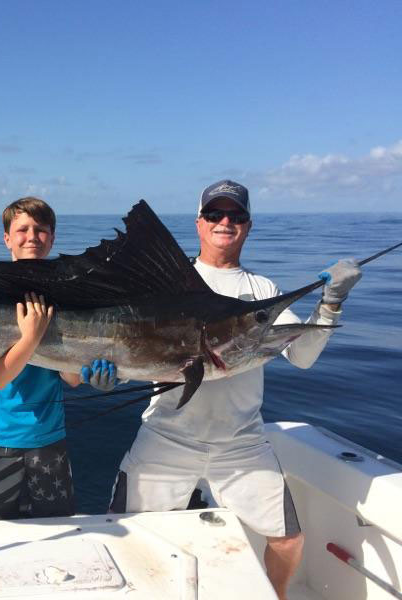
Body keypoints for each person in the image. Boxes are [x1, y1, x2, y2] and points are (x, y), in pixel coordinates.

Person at [108, 179, 362, 600]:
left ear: (248, 225)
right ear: (199, 223)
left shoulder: (262, 292)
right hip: (168, 436)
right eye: (215, 214)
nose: (225, 222)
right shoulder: (165, 286)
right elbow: (127, 348)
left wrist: (330, 304)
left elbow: (301, 357)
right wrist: (110, 373)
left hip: (241, 443)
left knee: (288, 540)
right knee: (120, 531)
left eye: (236, 216)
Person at [0, 196, 117, 521]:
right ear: (7, 238)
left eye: (41, 229)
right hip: (0, 438)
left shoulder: (66, 295)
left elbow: (71, 379)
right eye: (22, 229)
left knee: (58, 526)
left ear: (52, 239)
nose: (32, 236)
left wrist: (91, 371)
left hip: (49, 438)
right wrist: (32, 336)